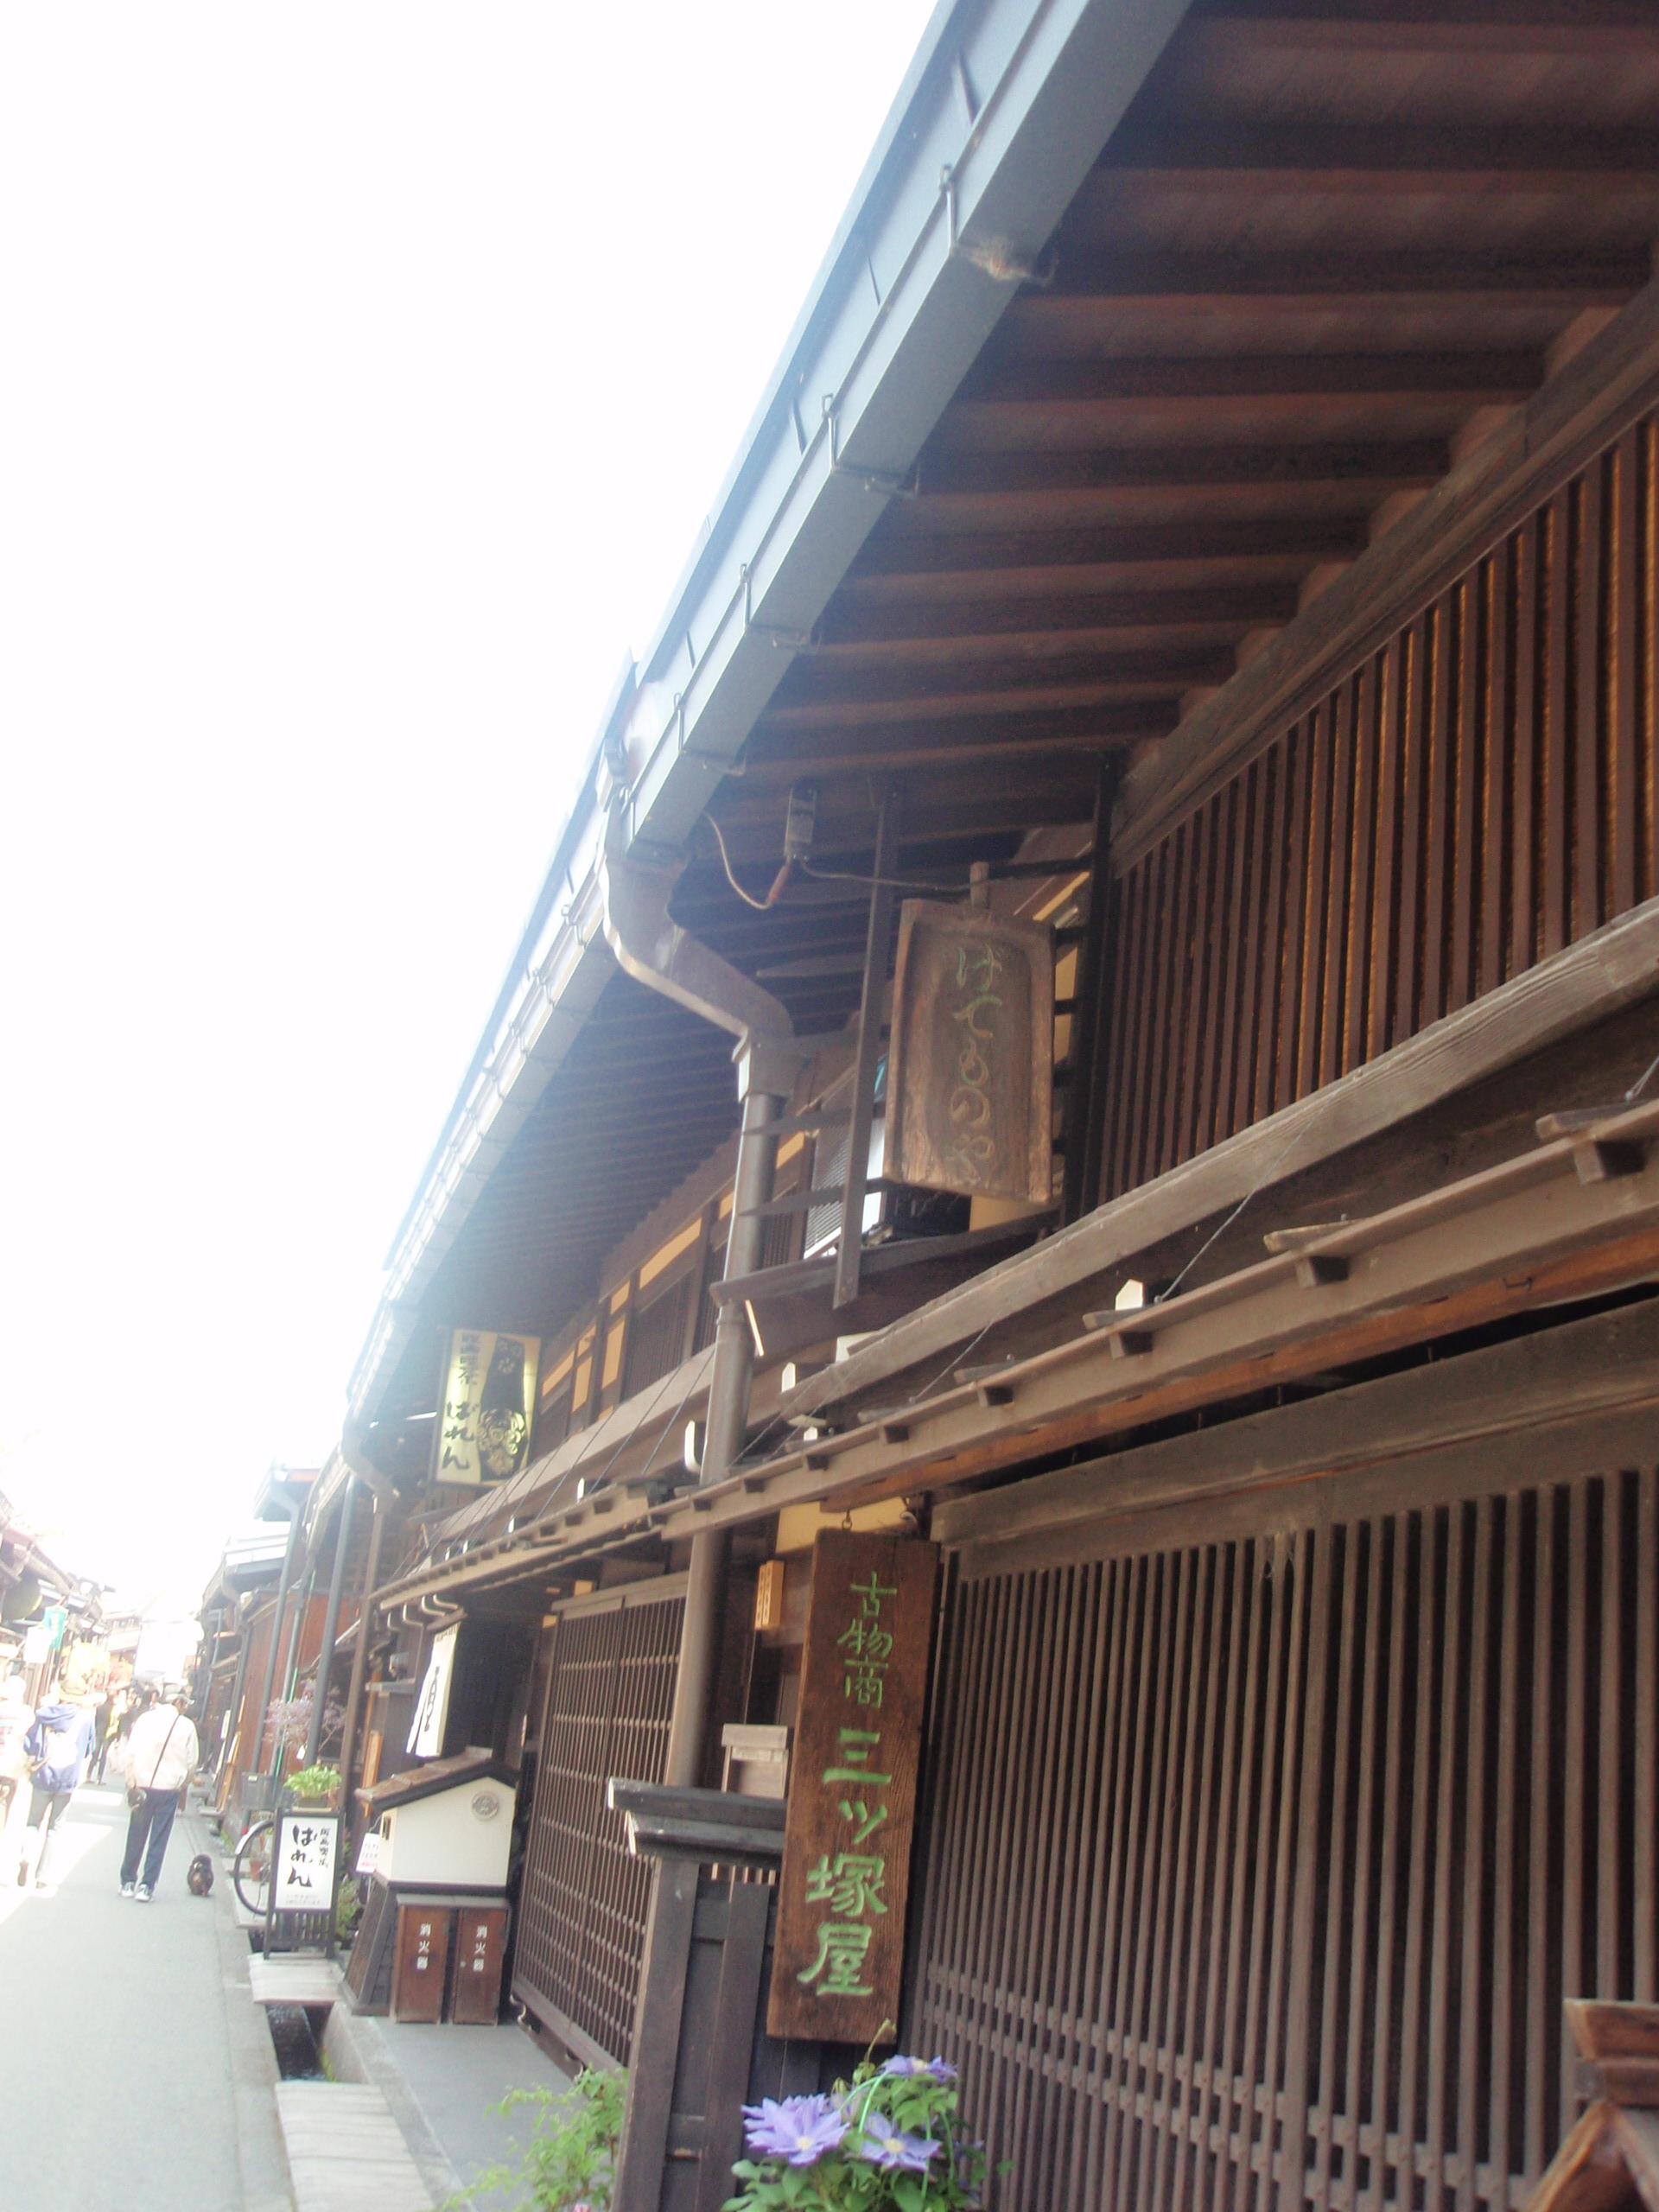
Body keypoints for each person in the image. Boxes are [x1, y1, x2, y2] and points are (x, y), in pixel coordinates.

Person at [117, 1691, 200, 1900]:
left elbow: (130, 1752)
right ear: (178, 1702)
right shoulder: (186, 1726)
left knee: (136, 1835)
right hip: (169, 1788)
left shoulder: (145, 1719)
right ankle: (147, 1886)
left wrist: (131, 1779)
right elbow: (192, 1763)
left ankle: (127, 1882)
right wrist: (183, 1783)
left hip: (142, 1785)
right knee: (159, 1838)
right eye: (185, 1703)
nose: (186, 1708)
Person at [17, 1688, 96, 1890]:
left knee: (33, 1822)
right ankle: (42, 1876)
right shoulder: (85, 1719)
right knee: (55, 1828)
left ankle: (26, 1854)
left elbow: (30, 1743)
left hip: (43, 1776)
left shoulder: (45, 1715)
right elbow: (89, 1749)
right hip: (67, 1780)